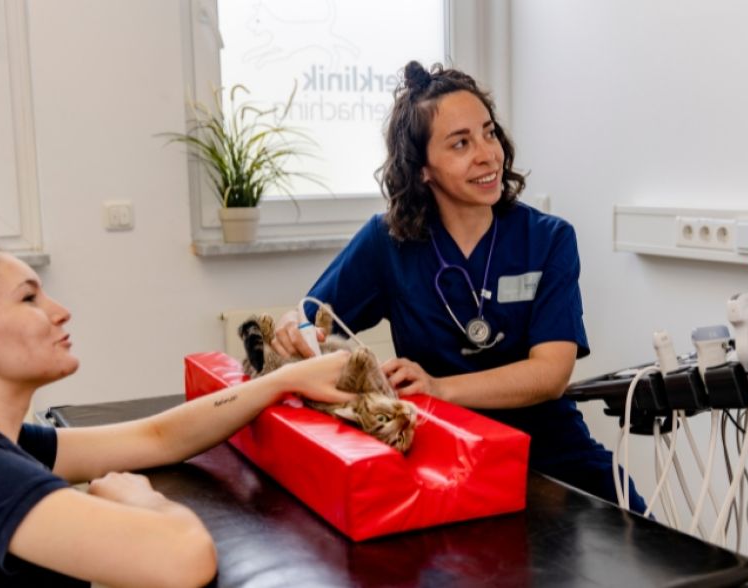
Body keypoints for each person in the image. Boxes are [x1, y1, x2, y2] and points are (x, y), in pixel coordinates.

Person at [271, 61, 647, 513]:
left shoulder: (548, 239)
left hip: (548, 449)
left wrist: (439, 387)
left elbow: (550, 373)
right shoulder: (388, 242)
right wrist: (293, 323)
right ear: (422, 168)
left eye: (489, 134)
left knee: (646, 538)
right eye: (460, 143)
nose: (487, 154)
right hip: (439, 451)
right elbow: (310, 317)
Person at [0, 244, 353, 587]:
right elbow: (184, 558)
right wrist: (139, 500)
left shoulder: (2, 442)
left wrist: (280, 382)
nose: (60, 312)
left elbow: (157, 438)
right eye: (29, 299)